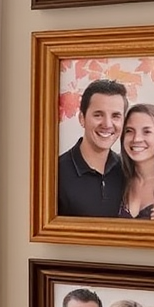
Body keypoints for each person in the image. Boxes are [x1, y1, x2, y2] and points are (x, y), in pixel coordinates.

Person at [57, 78, 128, 217]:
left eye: (115, 116)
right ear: (82, 118)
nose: (107, 124)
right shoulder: (55, 173)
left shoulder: (128, 171)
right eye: (98, 115)